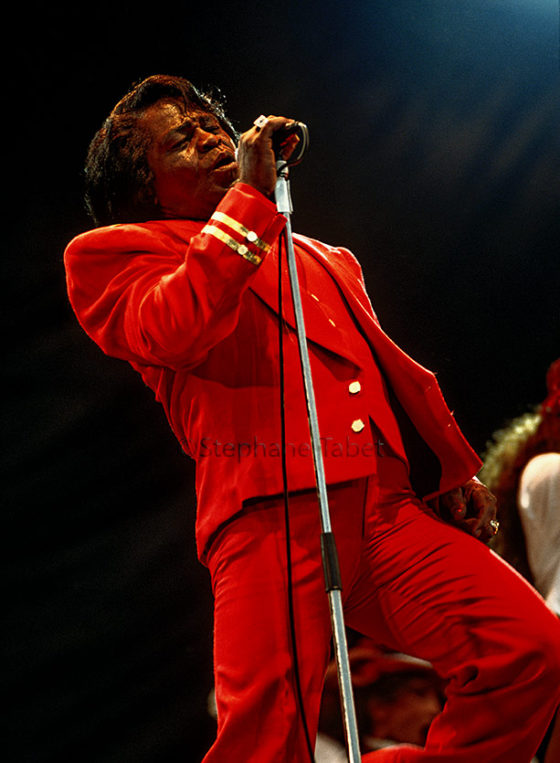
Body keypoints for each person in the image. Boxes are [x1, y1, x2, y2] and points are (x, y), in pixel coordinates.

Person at [64, 74, 560, 762]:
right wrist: (248, 203)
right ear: (145, 187)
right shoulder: (114, 256)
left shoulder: (322, 257)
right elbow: (176, 328)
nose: (213, 136)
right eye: (183, 138)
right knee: (266, 738)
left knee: (530, 650)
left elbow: (383, 371)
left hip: (387, 507)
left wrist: (441, 468)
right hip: (271, 512)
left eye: (212, 123)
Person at [317, 640, 444, 757]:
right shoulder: (321, 751)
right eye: (419, 693)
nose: (435, 709)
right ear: (378, 705)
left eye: (438, 697)